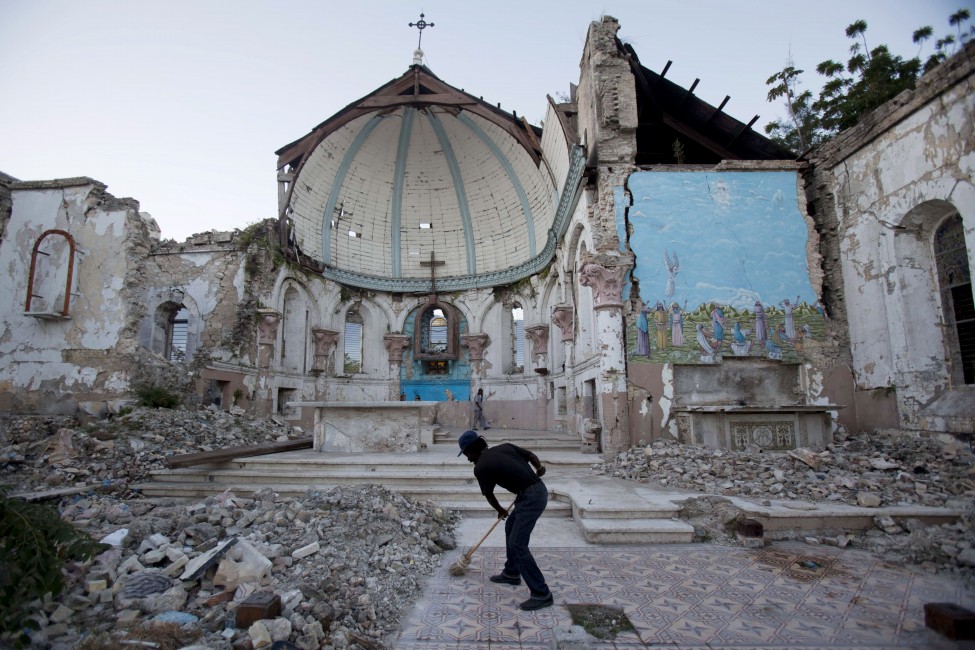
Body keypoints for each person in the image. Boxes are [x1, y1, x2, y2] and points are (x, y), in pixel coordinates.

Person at [457, 430, 553, 611]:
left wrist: (500, 510)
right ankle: (511, 573)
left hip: (531, 498)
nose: (468, 459)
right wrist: (539, 469)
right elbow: (531, 456)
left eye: (467, 454)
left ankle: (542, 593)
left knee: (518, 544)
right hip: (533, 491)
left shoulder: (480, 467)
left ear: (473, 449)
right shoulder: (505, 447)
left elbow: (489, 495)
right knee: (510, 526)